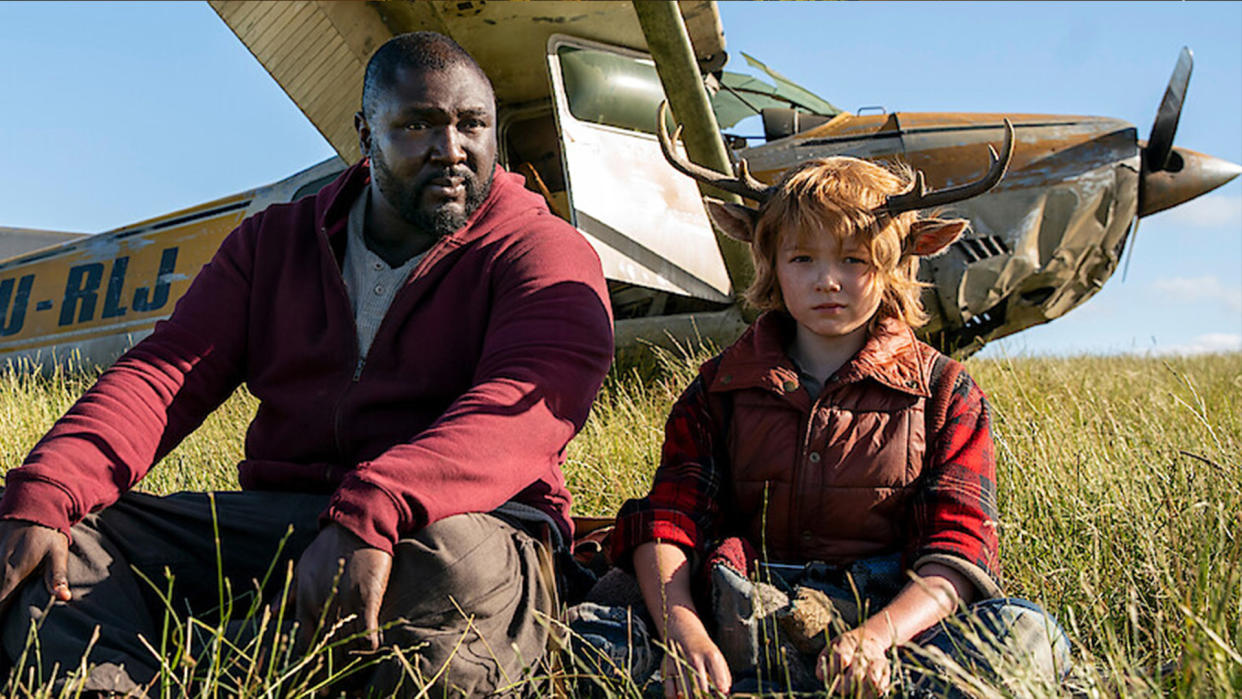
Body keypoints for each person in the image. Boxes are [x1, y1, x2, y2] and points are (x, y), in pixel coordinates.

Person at [0, 31, 613, 696]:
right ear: (364, 133)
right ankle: (117, 686)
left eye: (473, 125)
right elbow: (164, 374)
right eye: (418, 125)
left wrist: (376, 508)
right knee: (67, 542)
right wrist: (47, 490)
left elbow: (525, 401)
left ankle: (239, 659)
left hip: (466, 527)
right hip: (291, 518)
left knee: (447, 564)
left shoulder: (543, 250)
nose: (452, 150)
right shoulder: (273, 243)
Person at [571, 126, 1069, 697]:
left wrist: (875, 639)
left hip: (888, 628)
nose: (827, 281)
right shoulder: (719, 387)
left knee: (1026, 637)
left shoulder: (946, 393)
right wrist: (685, 635)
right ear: (771, 262)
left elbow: (956, 550)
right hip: (740, 611)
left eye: (854, 259)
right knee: (588, 633)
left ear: (895, 265)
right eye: (803, 257)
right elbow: (672, 518)